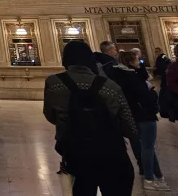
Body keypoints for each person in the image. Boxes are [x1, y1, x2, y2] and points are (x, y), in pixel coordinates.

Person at [43, 40, 136, 196]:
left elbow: (50, 115)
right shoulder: (110, 86)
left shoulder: (54, 83)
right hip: (112, 153)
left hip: (75, 152)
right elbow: (129, 127)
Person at [108, 49, 168, 191]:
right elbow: (145, 97)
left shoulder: (118, 76)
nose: (139, 62)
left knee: (147, 147)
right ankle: (149, 178)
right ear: (130, 62)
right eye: (137, 60)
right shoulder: (132, 77)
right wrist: (153, 95)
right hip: (144, 115)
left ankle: (159, 177)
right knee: (147, 148)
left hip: (132, 115)